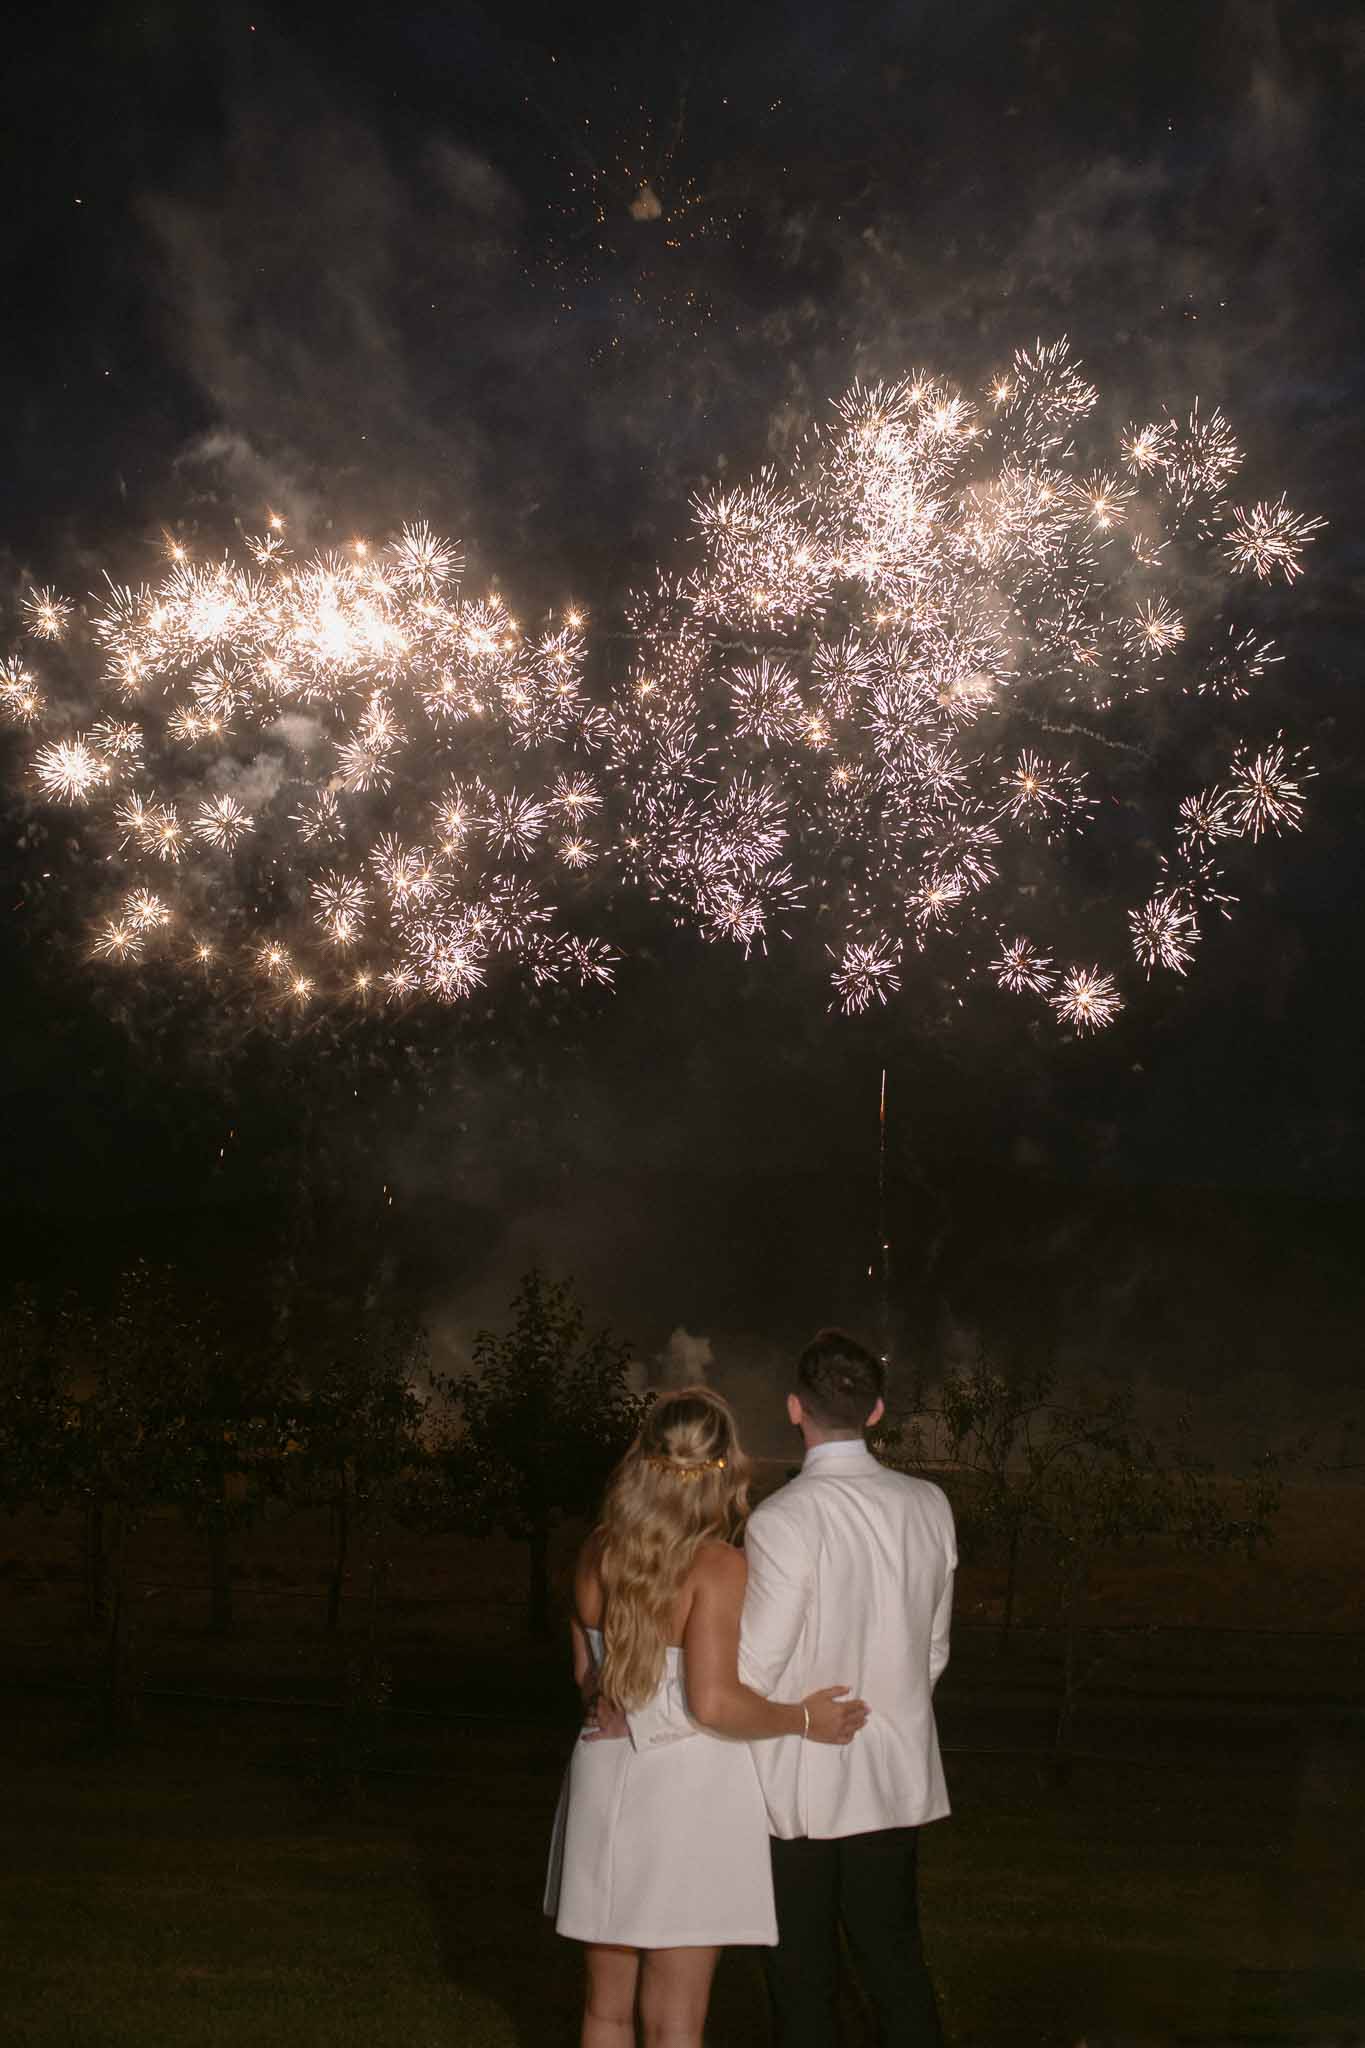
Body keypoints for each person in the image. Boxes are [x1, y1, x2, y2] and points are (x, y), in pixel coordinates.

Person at [619, 1332, 957, 2047]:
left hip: (796, 1785)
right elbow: (931, 1649)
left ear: (794, 1409)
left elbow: (756, 1668)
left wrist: (654, 1711)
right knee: (896, 1964)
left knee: (801, 1978)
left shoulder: (781, 1520)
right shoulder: (930, 1503)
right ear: (874, 1413)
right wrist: (886, 1708)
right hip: (893, 1775)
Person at [545, 1384, 869, 2048]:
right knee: (677, 2021)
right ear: (727, 1466)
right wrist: (804, 1719)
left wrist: (619, 1708)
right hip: (687, 1797)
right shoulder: (715, 1565)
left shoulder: (594, 1551)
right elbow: (714, 1701)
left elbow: (588, 1679)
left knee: (604, 2008)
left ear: (642, 1459)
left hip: (603, 1782)